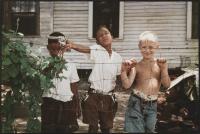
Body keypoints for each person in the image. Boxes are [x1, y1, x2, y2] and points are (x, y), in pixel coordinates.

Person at [66, 25, 122, 133]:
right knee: (93, 127)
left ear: (112, 36)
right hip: (93, 96)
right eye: (100, 36)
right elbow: (84, 49)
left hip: (108, 96)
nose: (104, 36)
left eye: (106, 33)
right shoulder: (97, 50)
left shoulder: (118, 57)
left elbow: (119, 77)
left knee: (107, 128)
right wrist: (72, 45)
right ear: (97, 42)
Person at [121, 31, 171, 133]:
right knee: (135, 130)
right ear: (139, 47)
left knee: (150, 130)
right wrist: (123, 71)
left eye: (151, 47)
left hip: (152, 104)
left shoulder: (160, 65)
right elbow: (126, 85)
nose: (147, 50)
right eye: (144, 47)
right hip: (136, 103)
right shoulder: (137, 66)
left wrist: (164, 69)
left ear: (157, 46)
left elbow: (167, 85)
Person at [41, 32, 80, 133]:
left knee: (66, 129)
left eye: (59, 49)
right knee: (49, 129)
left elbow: (74, 87)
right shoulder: (43, 64)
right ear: (47, 47)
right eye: (52, 49)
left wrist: (77, 105)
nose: (55, 52)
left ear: (64, 48)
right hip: (49, 103)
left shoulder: (71, 65)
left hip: (67, 104)